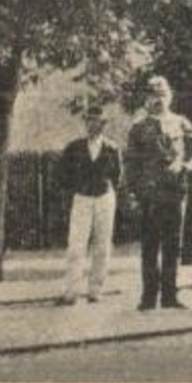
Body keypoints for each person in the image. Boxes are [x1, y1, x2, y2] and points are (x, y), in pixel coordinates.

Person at [125, 75, 192, 311]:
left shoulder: (180, 122)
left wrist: (187, 166)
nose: (158, 99)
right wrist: (133, 193)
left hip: (175, 193)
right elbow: (131, 164)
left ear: (169, 96)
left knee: (173, 246)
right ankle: (148, 297)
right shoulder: (138, 127)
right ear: (147, 98)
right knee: (150, 247)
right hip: (150, 195)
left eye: (162, 94)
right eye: (153, 95)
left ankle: (170, 296)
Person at [57, 104, 122, 306]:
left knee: (102, 245)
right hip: (82, 198)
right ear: (86, 123)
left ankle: (96, 290)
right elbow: (63, 175)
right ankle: (72, 292)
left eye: (99, 123)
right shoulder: (74, 148)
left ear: (104, 125)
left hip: (105, 197)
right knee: (76, 245)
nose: (95, 126)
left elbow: (118, 177)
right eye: (91, 122)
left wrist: (107, 189)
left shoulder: (112, 148)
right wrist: (76, 190)